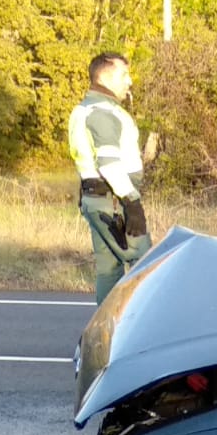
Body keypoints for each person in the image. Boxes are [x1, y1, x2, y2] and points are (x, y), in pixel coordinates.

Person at [68, 52, 154, 303]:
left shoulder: (83, 109)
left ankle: (106, 334)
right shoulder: (103, 111)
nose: (129, 82)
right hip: (113, 202)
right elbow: (108, 164)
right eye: (124, 74)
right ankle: (145, 333)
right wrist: (132, 203)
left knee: (109, 270)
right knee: (144, 266)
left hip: (97, 199)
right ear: (105, 77)